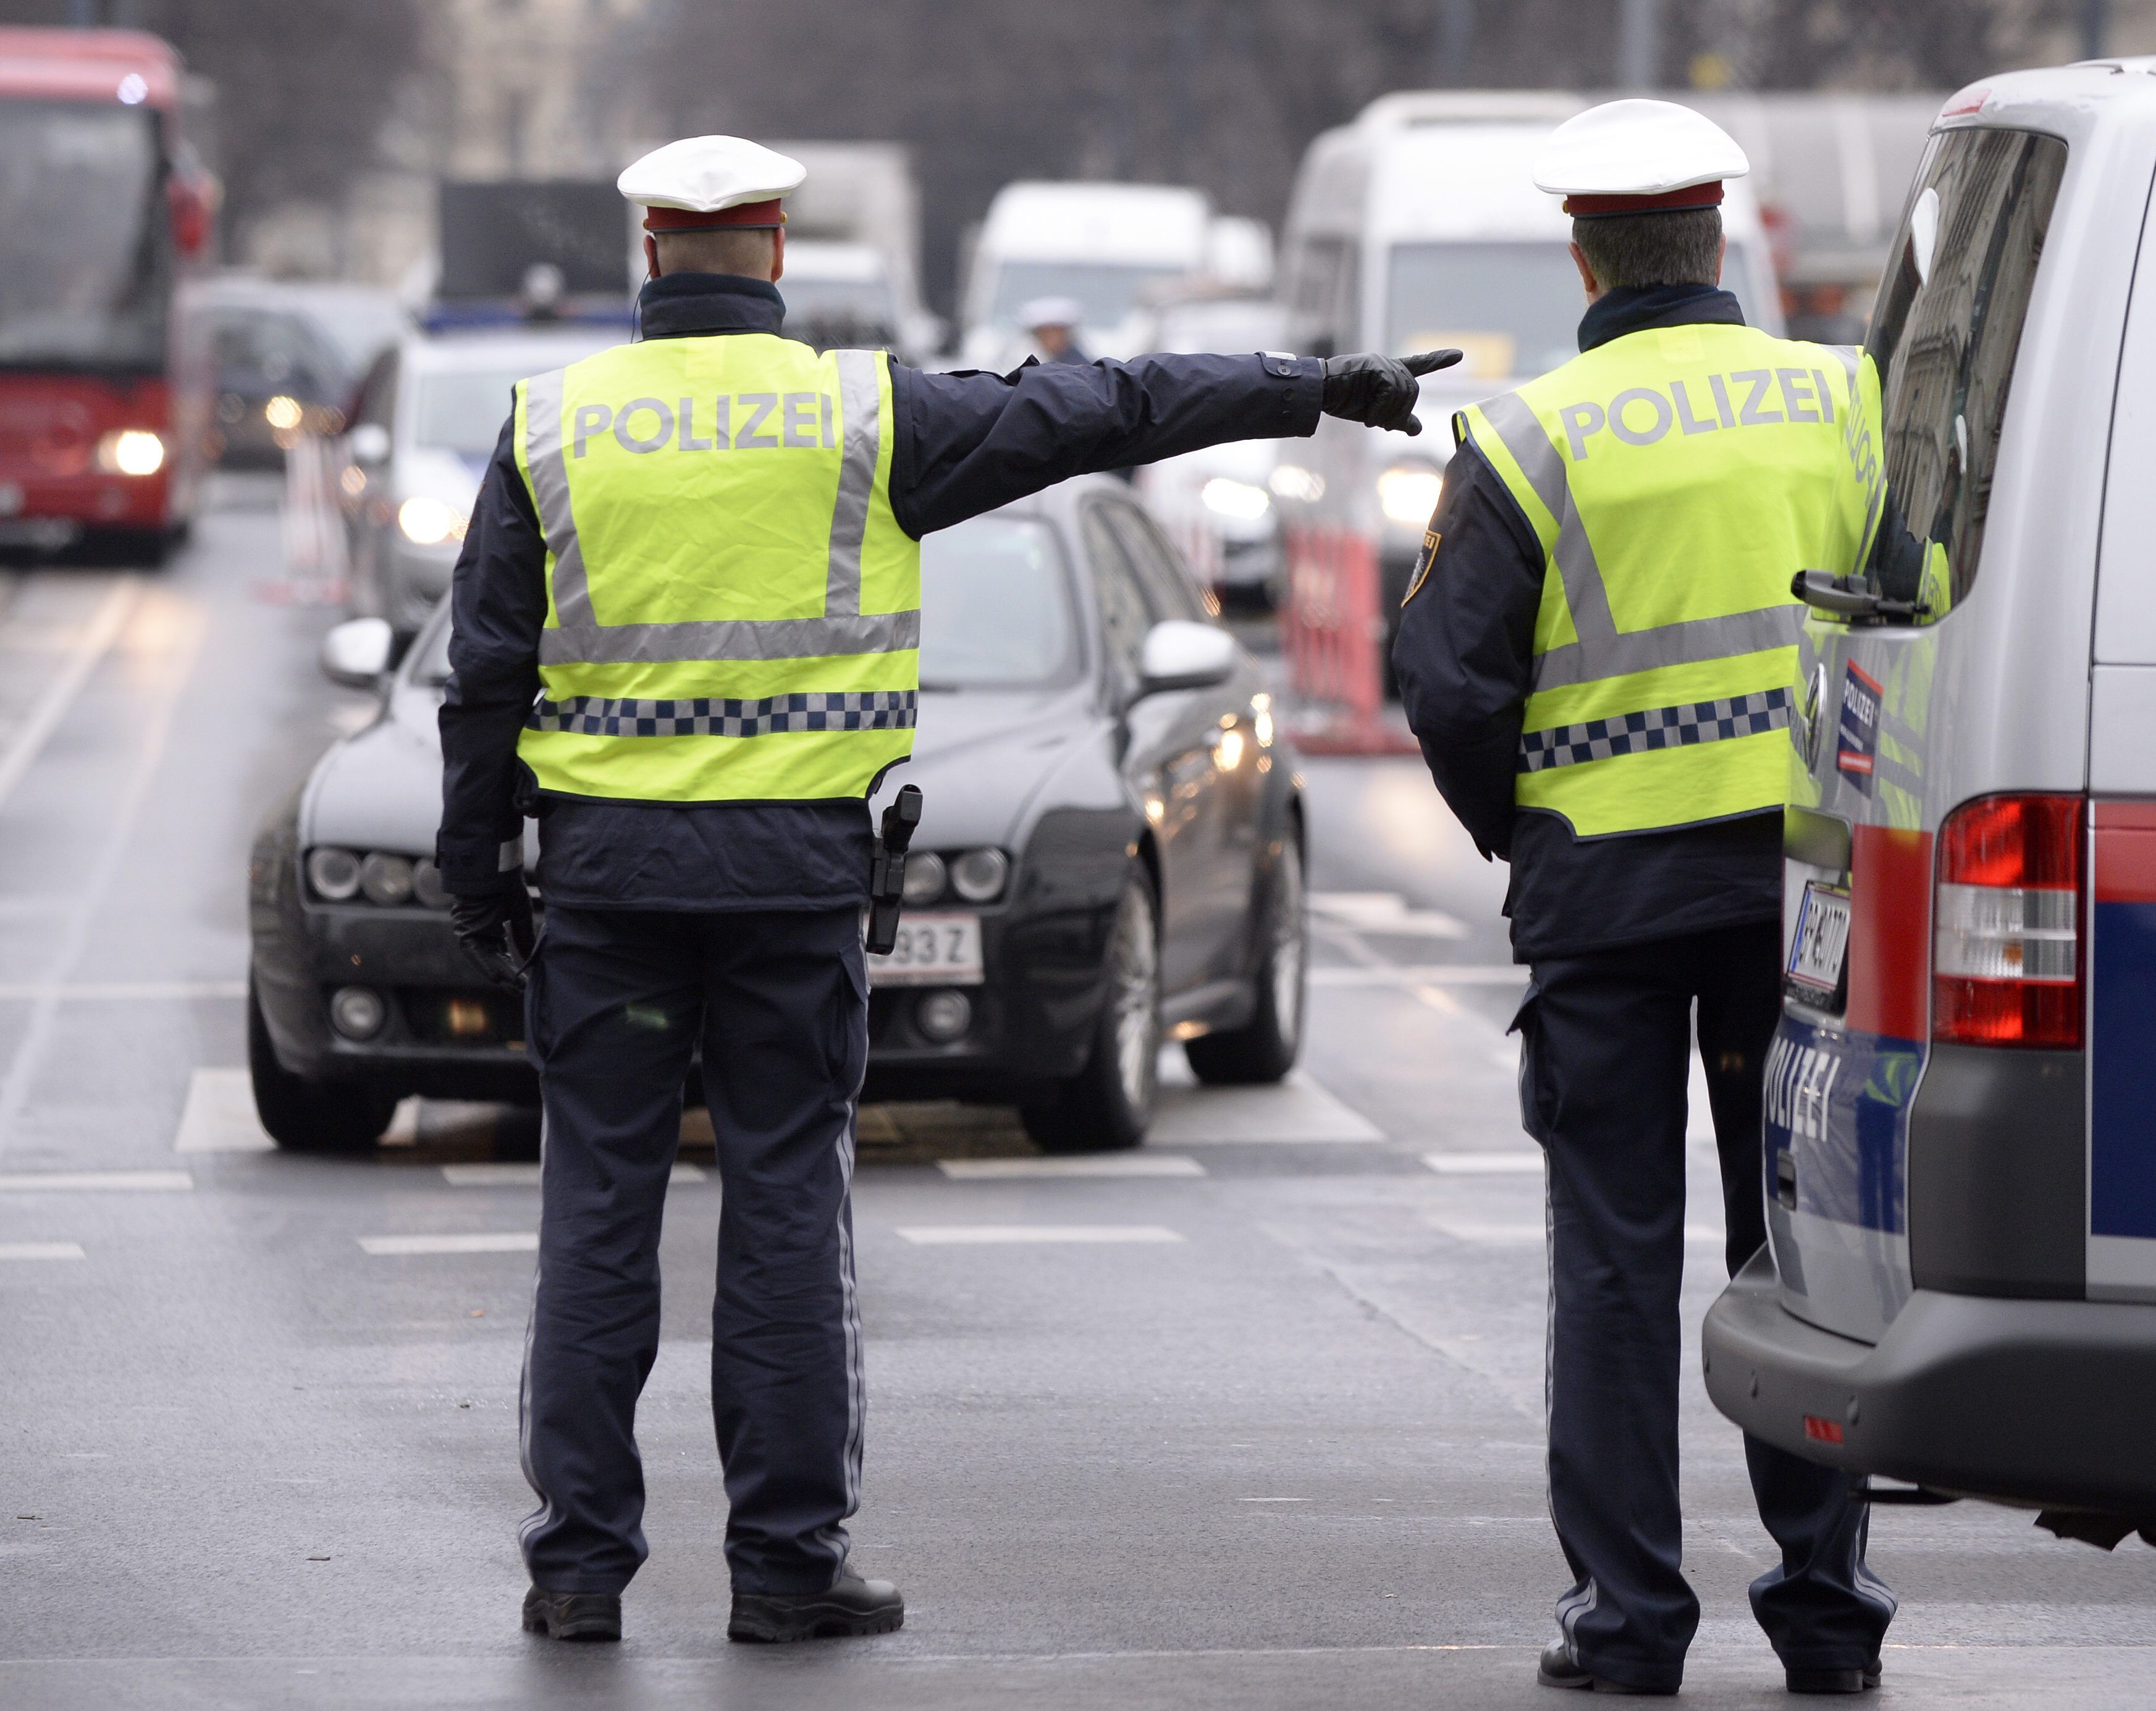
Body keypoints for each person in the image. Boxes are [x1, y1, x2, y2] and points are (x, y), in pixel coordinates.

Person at [436, 133, 1457, 1648]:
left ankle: (578, 1564)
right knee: (785, 1200)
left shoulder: (551, 425)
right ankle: (786, 1564)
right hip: (791, 888)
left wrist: (476, 867)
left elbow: (484, 675)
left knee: (598, 1207)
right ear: (773, 250)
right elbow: (1106, 405)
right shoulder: (866, 414)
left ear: (647, 253)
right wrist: (1311, 383)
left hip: (607, 888)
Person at [1390, 100, 1895, 1696]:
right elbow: (1918, 612)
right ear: (1722, 239)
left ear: (1581, 251)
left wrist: (1525, 831)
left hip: (1603, 898)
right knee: (1801, 1256)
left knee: (1610, 1257)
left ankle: (1628, 1622)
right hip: (1804, 902)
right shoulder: (1848, 402)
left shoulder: (1529, 434)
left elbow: (1448, 683)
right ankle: (1823, 1609)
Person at [1015, 295, 1090, 364]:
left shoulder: (1079, 367)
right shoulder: (1042, 361)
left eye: (1056, 333)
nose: (1051, 339)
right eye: (1045, 334)